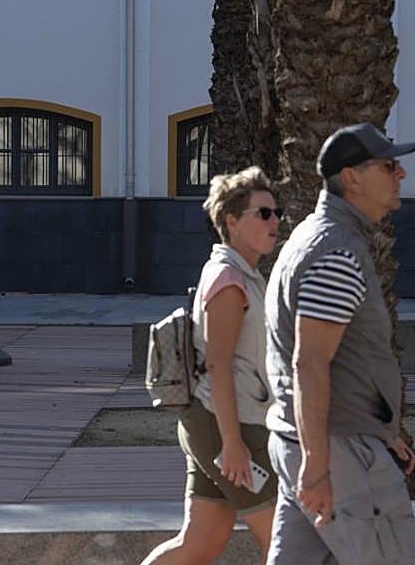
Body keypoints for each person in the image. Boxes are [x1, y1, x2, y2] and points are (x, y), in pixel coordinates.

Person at [264, 123, 415, 565]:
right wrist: (319, 467)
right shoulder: (335, 251)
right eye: (389, 165)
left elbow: (342, 360)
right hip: (337, 451)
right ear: (352, 178)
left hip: (314, 439)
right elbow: (310, 363)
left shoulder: (317, 237)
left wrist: (379, 430)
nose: (401, 175)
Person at [142, 167, 282, 564]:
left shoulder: (245, 275)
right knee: (284, 544)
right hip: (227, 430)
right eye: (264, 213)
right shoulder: (228, 280)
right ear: (232, 221)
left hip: (219, 425)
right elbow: (218, 367)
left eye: (276, 213)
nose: (275, 222)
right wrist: (233, 445)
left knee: (198, 545)